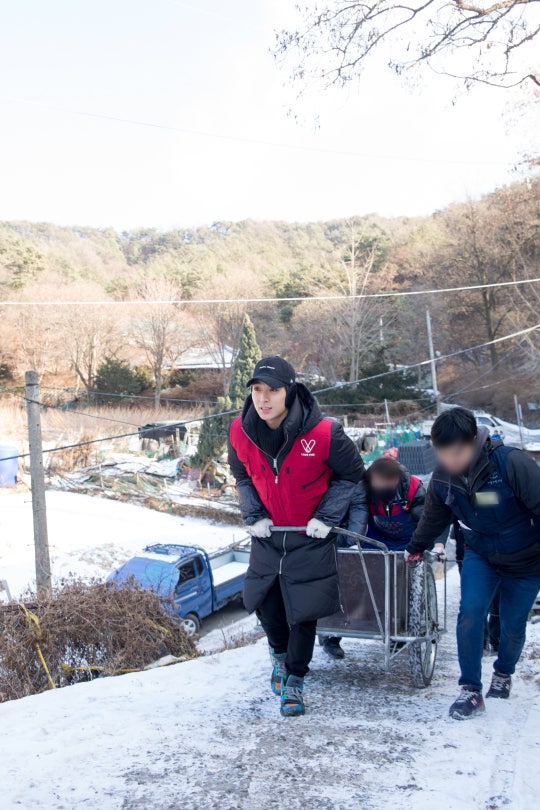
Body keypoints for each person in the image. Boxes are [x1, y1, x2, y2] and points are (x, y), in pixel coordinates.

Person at [228, 356, 366, 717]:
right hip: (269, 534)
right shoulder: (239, 431)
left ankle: (295, 680)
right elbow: (241, 476)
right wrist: (253, 514)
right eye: (257, 390)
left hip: (310, 536)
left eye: (273, 390)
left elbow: (352, 473)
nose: (263, 398)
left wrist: (326, 516)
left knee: (302, 613)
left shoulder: (324, 433)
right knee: (265, 603)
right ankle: (278, 655)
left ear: (290, 391)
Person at [404, 407, 540, 720]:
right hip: (482, 554)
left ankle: (503, 672)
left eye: (457, 453)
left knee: (512, 625)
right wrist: (415, 547)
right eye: (442, 453)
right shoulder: (443, 478)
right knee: (470, 613)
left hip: (527, 559)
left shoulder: (510, 463)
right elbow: (434, 516)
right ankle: (470, 689)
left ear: (474, 442)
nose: (449, 460)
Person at [320, 456, 444, 659]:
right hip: (374, 541)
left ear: (396, 480)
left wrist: (430, 545)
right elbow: (351, 514)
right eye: (378, 483)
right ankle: (333, 633)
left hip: (407, 543)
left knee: (400, 590)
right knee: (356, 583)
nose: (381, 487)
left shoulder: (412, 489)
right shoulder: (364, 489)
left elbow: (426, 519)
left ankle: (398, 631)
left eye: (387, 483)